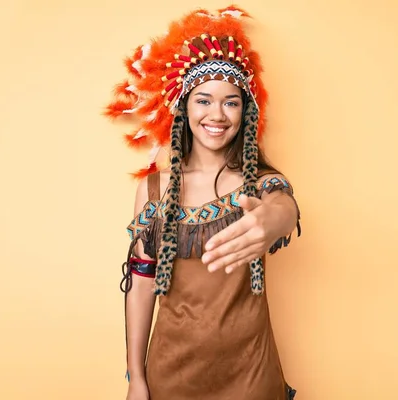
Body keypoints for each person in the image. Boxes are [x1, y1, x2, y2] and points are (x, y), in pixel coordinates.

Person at [105, 6, 301, 400]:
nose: (217, 114)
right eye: (204, 100)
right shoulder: (154, 190)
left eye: (231, 102)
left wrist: (274, 219)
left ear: (246, 111)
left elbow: (283, 206)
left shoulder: (258, 183)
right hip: (171, 372)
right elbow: (141, 285)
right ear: (183, 107)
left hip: (250, 374)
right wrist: (136, 377)